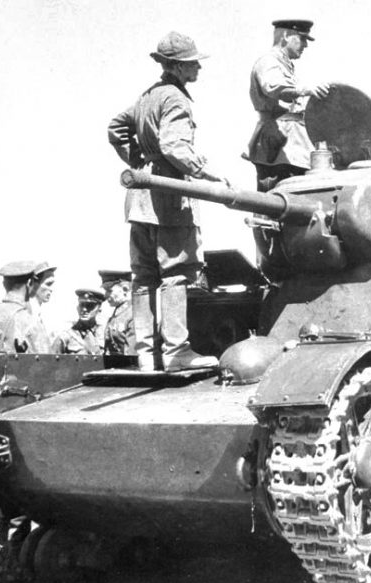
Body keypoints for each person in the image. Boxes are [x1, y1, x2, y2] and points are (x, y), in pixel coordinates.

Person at [107, 31, 224, 372]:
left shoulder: (148, 96)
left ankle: (146, 355)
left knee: (143, 276)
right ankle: (175, 352)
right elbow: (175, 146)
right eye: (192, 64)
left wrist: (140, 161)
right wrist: (206, 173)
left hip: (141, 196)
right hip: (168, 197)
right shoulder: (175, 98)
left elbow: (116, 128)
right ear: (175, 66)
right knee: (175, 274)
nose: (198, 69)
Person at [247, 19, 329, 190]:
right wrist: (303, 89)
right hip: (279, 148)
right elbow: (274, 87)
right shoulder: (269, 61)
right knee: (274, 204)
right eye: (302, 39)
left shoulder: (284, 64)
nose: (305, 45)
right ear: (286, 36)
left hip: (293, 148)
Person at [52, 289, 106, 355]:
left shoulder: (105, 334)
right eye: (82, 305)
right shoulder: (66, 336)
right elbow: (51, 361)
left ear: (99, 309)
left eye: (90, 306)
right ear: (77, 307)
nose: (84, 309)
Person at [99, 269, 135, 355]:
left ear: (125, 290)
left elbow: (132, 354)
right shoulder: (117, 314)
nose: (105, 295)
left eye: (109, 290)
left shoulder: (133, 314)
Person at [28, 261, 57, 352]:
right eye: (48, 284)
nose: (51, 289)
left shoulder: (38, 313)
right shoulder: (28, 313)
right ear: (33, 283)